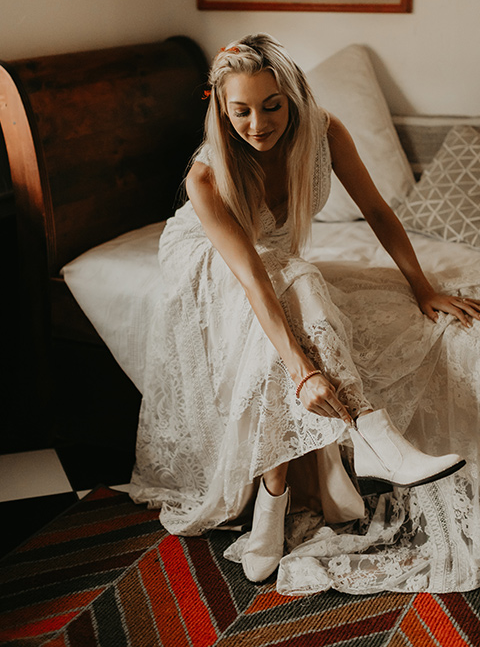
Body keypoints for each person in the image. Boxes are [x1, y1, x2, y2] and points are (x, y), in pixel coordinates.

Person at [130, 34, 480, 592]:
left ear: (292, 98)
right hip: (211, 268)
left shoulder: (324, 132)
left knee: (298, 281)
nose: (258, 123)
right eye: (240, 110)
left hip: (281, 271)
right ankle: (375, 438)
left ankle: (276, 501)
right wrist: (303, 370)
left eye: (272, 105)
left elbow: (377, 210)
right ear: (220, 109)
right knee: (297, 285)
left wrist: (421, 287)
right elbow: (249, 275)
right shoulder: (205, 176)